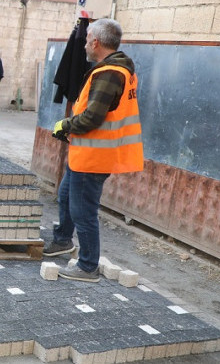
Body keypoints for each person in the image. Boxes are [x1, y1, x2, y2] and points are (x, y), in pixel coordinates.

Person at [45, 18, 143, 283]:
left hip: (94, 158)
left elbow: (92, 118)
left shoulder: (109, 73)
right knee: (66, 195)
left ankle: (88, 265)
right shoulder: (116, 69)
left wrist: (65, 125)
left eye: (87, 39)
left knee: (83, 210)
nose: (85, 44)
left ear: (96, 42)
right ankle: (63, 241)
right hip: (84, 153)